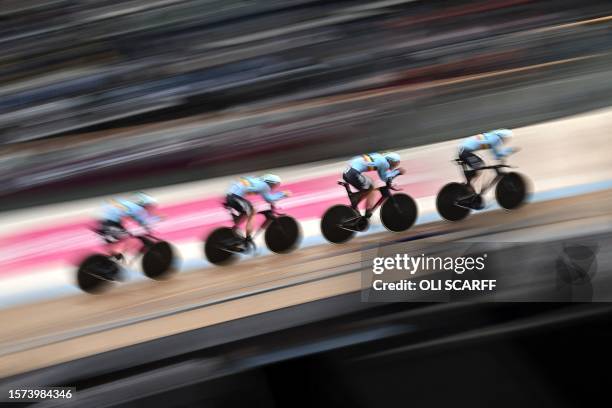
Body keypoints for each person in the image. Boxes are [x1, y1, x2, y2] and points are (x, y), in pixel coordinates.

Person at [225, 174, 290, 247]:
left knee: (248, 211)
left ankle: (234, 231)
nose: (276, 187)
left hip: (230, 196)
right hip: (234, 197)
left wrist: (273, 204)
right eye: (276, 185)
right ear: (271, 183)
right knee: (252, 211)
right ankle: (247, 239)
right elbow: (269, 199)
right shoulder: (265, 186)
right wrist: (283, 194)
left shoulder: (258, 182)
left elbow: (268, 199)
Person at [457, 128, 519, 205]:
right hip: (465, 151)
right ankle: (469, 188)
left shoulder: (491, 136)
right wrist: (510, 150)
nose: (505, 141)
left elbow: (494, 153)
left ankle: (469, 187)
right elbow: (497, 155)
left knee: (480, 166)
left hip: (463, 150)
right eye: (507, 139)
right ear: (504, 137)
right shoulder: (496, 139)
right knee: (479, 166)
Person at [96, 192, 160, 262]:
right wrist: (148, 229)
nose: (148, 209)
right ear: (143, 204)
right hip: (110, 225)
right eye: (148, 206)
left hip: (105, 224)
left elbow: (137, 219)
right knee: (131, 240)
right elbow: (142, 221)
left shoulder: (130, 205)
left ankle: (113, 258)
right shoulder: (136, 208)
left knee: (119, 244)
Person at [343, 152, 404, 218]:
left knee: (372, 185)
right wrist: (397, 172)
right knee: (371, 187)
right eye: (395, 164)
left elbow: (384, 177)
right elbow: (385, 178)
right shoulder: (385, 163)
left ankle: (364, 207)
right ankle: (362, 205)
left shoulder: (379, 158)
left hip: (349, 171)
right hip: (353, 173)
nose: (395, 166)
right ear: (390, 161)